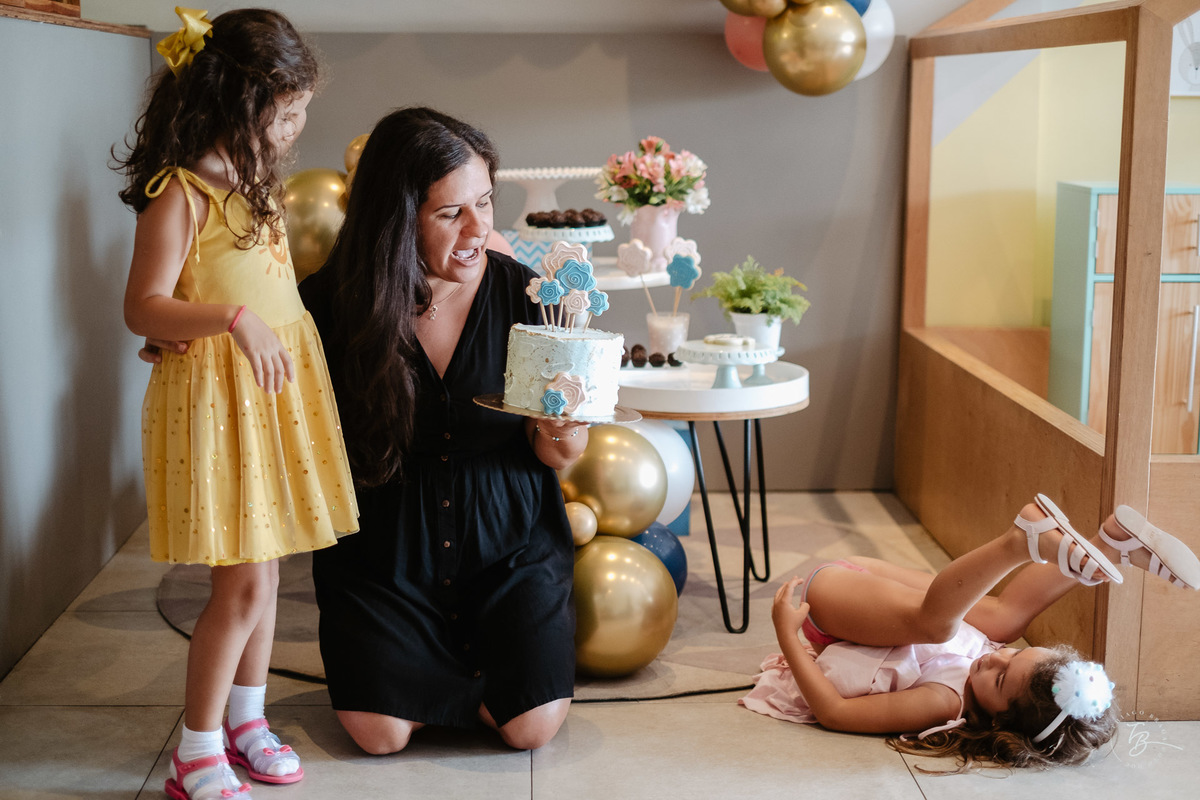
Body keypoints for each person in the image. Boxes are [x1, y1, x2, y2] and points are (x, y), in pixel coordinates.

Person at [115, 9, 358, 799]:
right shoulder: (180, 194)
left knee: (270, 573)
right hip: (223, 410)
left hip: (270, 400)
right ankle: (194, 749)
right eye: (286, 114)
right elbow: (144, 306)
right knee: (243, 586)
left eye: (299, 115)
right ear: (238, 104)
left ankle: (245, 721)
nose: (293, 130)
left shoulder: (257, 187)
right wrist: (229, 318)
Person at [297, 107, 587, 754]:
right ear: (397, 218)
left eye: (485, 202)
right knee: (378, 736)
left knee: (530, 728)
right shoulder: (329, 306)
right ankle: (434, 684)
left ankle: (463, 682)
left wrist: (562, 427)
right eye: (450, 212)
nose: (480, 228)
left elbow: (561, 457)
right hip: (384, 551)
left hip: (510, 538)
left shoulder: (530, 298)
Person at [741, 494, 1200, 772]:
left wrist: (787, 636)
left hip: (829, 606)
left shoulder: (944, 700)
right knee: (1001, 621)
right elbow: (995, 647)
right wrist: (999, 658)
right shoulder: (987, 665)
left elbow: (836, 713)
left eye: (999, 679)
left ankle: (1021, 542)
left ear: (1001, 722)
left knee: (940, 629)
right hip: (874, 592)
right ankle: (1112, 545)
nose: (994, 658)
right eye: (1013, 656)